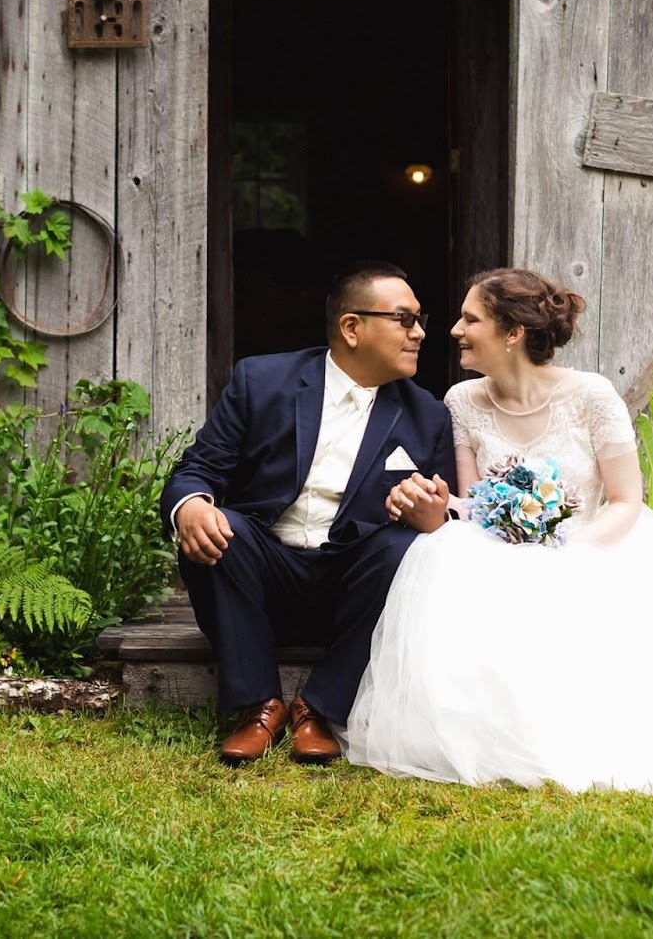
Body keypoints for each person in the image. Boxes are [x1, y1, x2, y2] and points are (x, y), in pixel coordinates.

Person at [343, 268, 653, 793]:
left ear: (512, 332)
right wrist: (433, 505)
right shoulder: (461, 402)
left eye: (470, 319)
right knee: (451, 568)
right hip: (497, 549)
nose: (453, 329)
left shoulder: (591, 394)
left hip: (592, 544)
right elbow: (475, 503)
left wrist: (567, 553)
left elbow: (626, 500)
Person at [161, 261, 456, 766]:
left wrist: (433, 516)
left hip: (350, 588)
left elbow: (449, 516)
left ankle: (318, 708)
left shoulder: (427, 413)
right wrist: (189, 506)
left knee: (406, 548)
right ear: (352, 328)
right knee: (218, 525)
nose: (420, 332)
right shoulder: (263, 380)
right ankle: (259, 705)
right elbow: (199, 468)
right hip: (263, 573)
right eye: (405, 319)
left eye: (418, 320)